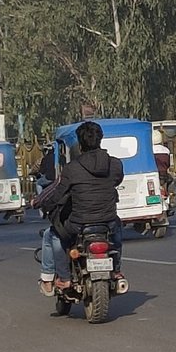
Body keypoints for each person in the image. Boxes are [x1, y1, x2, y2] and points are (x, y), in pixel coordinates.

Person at [39, 120, 126, 295]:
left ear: (80, 143)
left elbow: (58, 194)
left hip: (79, 224)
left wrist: (45, 206)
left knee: (53, 235)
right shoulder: (115, 164)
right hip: (107, 222)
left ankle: (61, 278)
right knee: (117, 231)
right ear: (100, 139)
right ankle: (116, 270)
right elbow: (117, 180)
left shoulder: (72, 168)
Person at [151, 129, 173, 197]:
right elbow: (168, 165)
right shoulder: (166, 150)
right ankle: (167, 194)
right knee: (170, 179)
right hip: (163, 174)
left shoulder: (149, 150)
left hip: (153, 174)